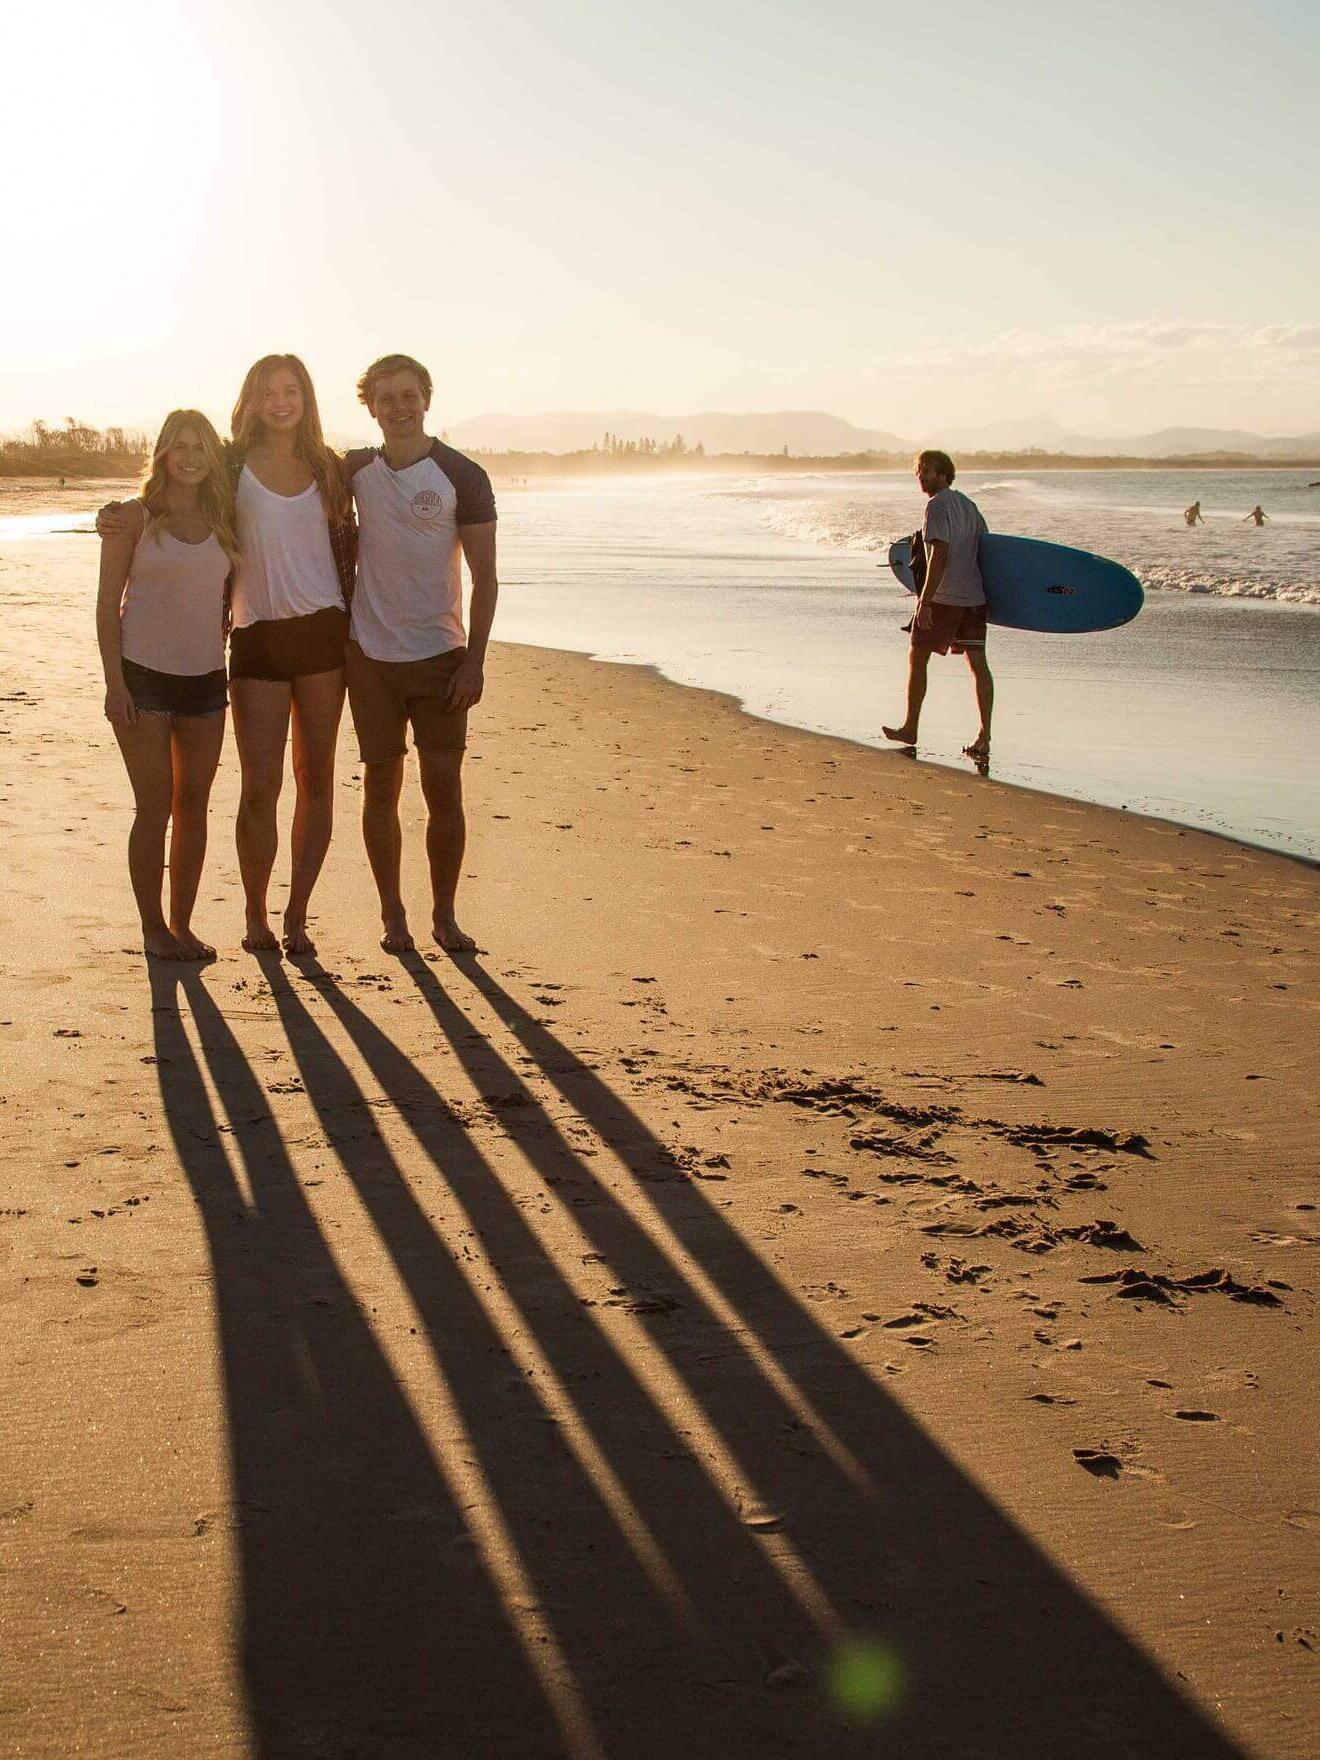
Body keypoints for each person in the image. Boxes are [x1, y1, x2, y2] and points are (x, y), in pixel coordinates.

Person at [99, 355, 356, 954]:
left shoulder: (333, 468)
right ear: (251, 400)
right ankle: (254, 916)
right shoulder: (229, 465)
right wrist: (114, 513)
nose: (280, 401)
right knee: (257, 787)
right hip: (254, 638)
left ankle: (295, 916)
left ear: (306, 397)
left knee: (315, 779)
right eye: (268, 391)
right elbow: (166, 503)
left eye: (291, 390)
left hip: (321, 635)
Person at [342, 353, 498, 953]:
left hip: (440, 657)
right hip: (371, 658)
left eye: (409, 396)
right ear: (371, 406)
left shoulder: (462, 474)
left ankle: (445, 915)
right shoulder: (354, 470)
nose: (399, 408)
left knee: (443, 790)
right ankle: (392, 917)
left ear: (426, 399)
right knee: (380, 787)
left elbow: (485, 575)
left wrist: (475, 659)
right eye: (387, 399)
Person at [95, 410, 239, 960]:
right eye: (179, 446)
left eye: (200, 445)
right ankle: (153, 930)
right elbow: (109, 605)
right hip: (143, 680)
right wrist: (115, 685)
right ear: (162, 453)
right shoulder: (133, 518)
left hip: (206, 681)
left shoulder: (226, 518)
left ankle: (183, 926)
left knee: (195, 806)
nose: (190, 456)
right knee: (153, 806)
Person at [882, 449, 993, 762]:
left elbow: (939, 555)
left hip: (944, 598)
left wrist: (925, 601)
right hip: (974, 598)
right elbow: (986, 550)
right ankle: (985, 736)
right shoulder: (969, 506)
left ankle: (911, 727)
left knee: (918, 656)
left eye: (925, 470)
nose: (920, 476)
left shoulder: (936, 505)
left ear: (941, 473)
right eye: (918, 470)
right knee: (978, 665)